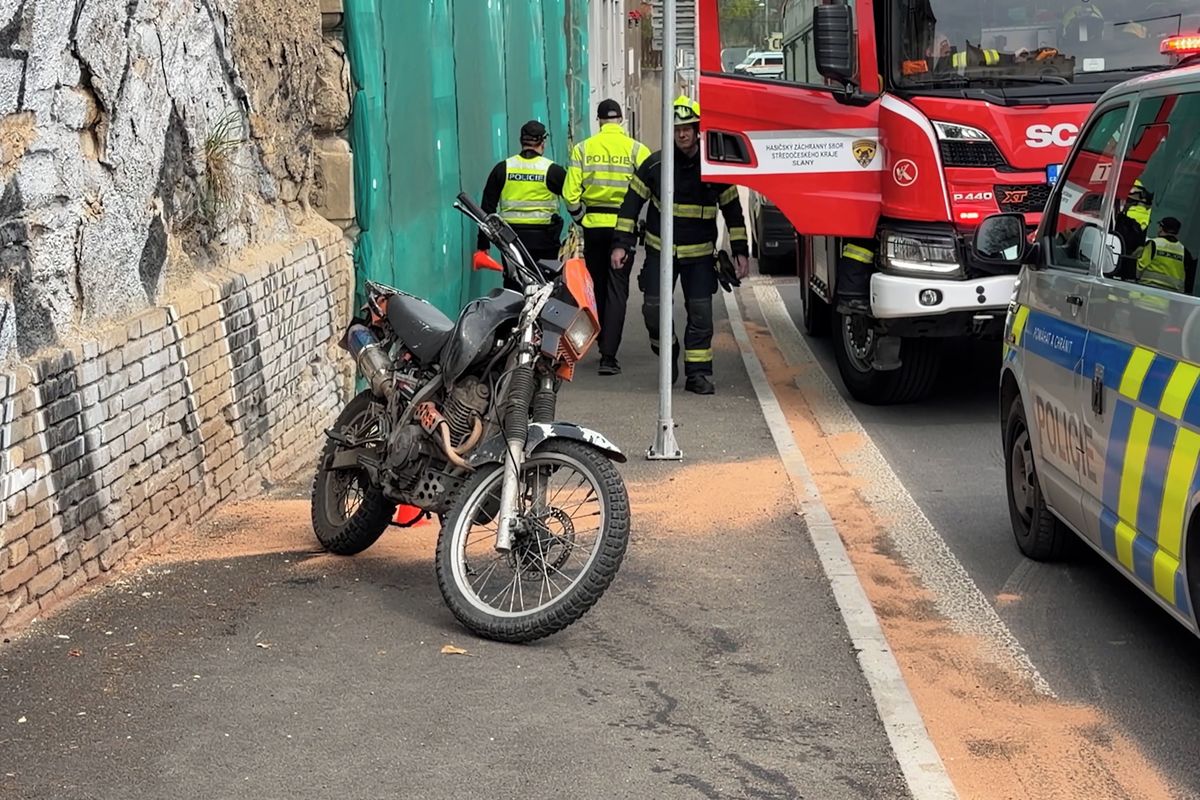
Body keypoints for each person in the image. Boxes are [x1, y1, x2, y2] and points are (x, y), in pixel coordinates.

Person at [609, 95, 750, 396]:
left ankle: (698, 375)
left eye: (687, 127)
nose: (682, 133)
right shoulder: (655, 165)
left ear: (698, 128)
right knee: (652, 311)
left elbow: (734, 211)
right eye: (676, 128)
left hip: (699, 258)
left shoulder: (714, 167)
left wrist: (740, 250)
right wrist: (621, 245)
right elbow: (630, 206)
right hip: (661, 253)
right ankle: (668, 353)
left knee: (700, 315)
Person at [563, 99, 651, 376]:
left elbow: (569, 194)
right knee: (618, 290)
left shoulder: (583, 149)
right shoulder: (637, 150)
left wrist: (580, 218)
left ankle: (599, 339)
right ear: (621, 120)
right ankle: (609, 355)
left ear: (599, 121)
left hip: (594, 227)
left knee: (597, 287)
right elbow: (654, 186)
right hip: (624, 229)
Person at [477, 120, 566, 291]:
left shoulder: (503, 168)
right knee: (545, 286)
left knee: (513, 285)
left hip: (511, 241)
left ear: (521, 141)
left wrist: (483, 246)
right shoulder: (552, 170)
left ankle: (515, 316)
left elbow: (486, 210)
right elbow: (573, 197)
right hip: (545, 242)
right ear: (543, 142)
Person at [1137, 216, 1196, 294]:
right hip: (1172, 298)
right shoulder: (1184, 251)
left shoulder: (1153, 244)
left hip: (1147, 292)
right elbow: (1189, 278)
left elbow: (1139, 268)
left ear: (1161, 228)